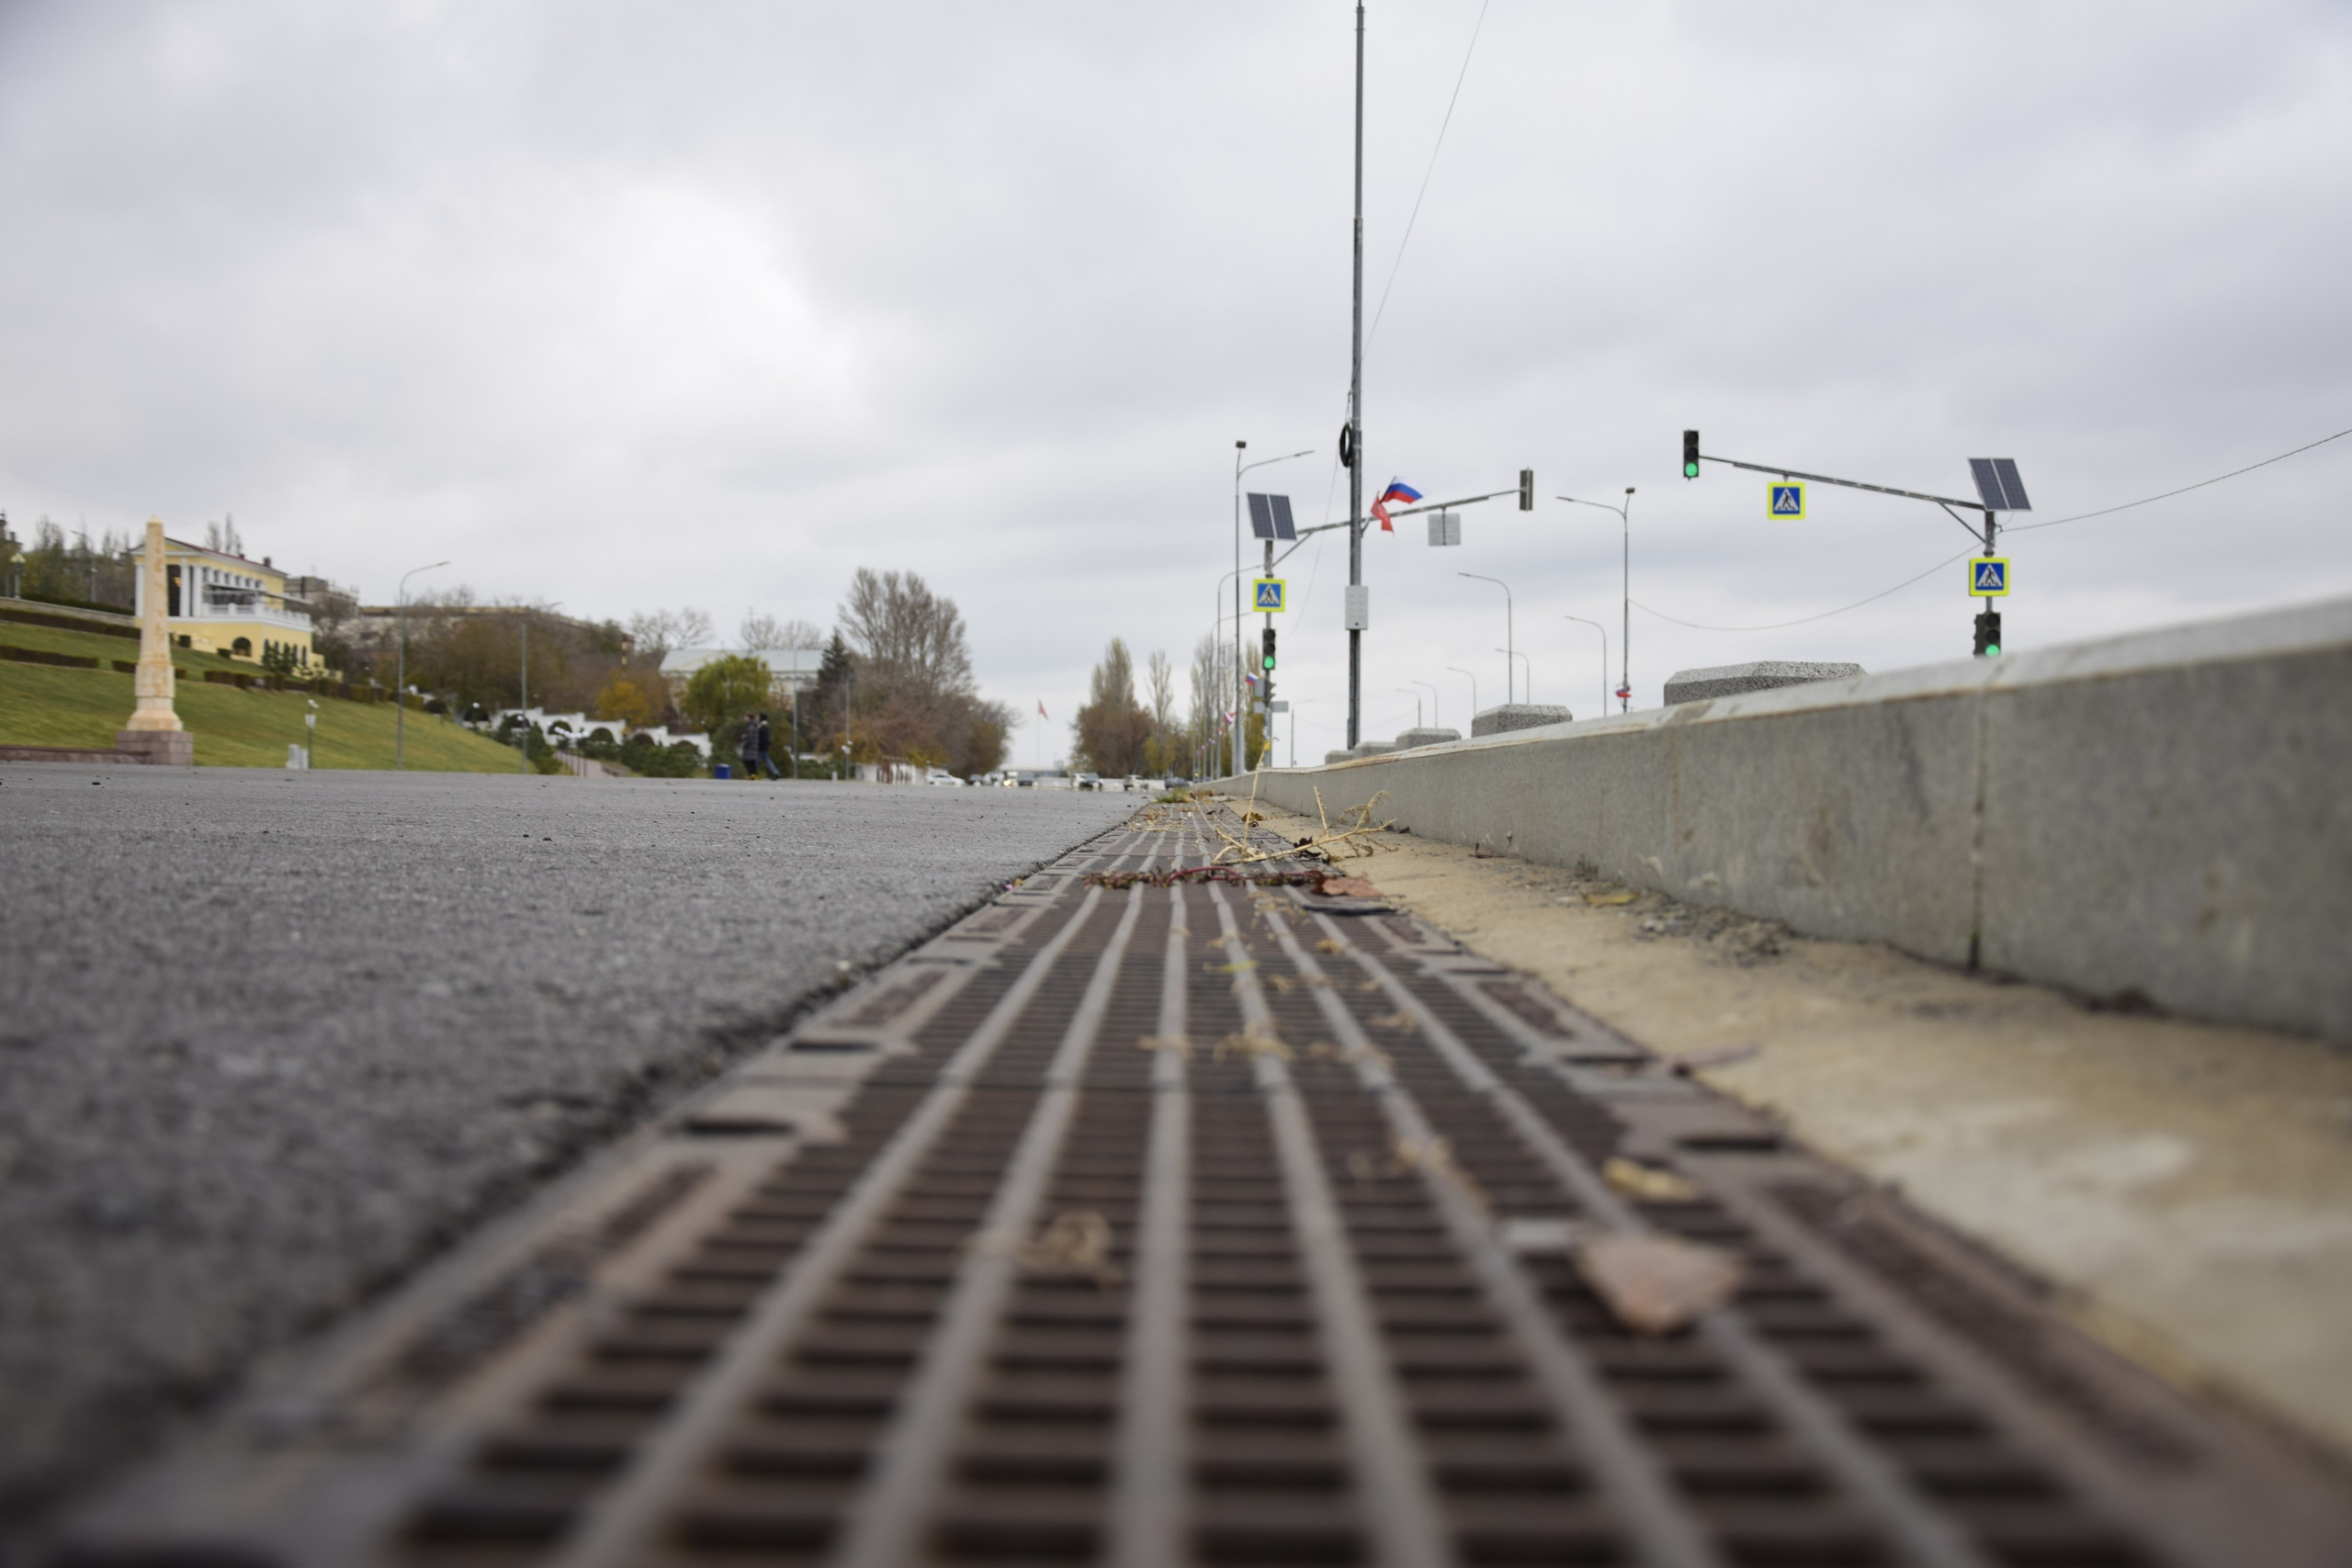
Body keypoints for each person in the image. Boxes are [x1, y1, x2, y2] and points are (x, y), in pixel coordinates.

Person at [757, 712, 782, 779]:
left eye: (758, 717)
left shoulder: (763, 727)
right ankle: (776, 773)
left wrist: (763, 746)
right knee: (767, 760)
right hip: (763, 747)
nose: (757, 718)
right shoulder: (762, 726)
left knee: (756, 761)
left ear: (761, 718)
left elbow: (764, 738)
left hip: (762, 747)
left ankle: (752, 773)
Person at [737, 712, 759, 780]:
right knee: (751, 761)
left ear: (749, 717)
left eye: (745, 717)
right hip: (753, 745)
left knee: (747, 760)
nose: (744, 718)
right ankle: (753, 774)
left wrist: (744, 744)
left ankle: (752, 774)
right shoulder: (752, 725)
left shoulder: (751, 726)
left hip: (750, 746)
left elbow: (750, 737)